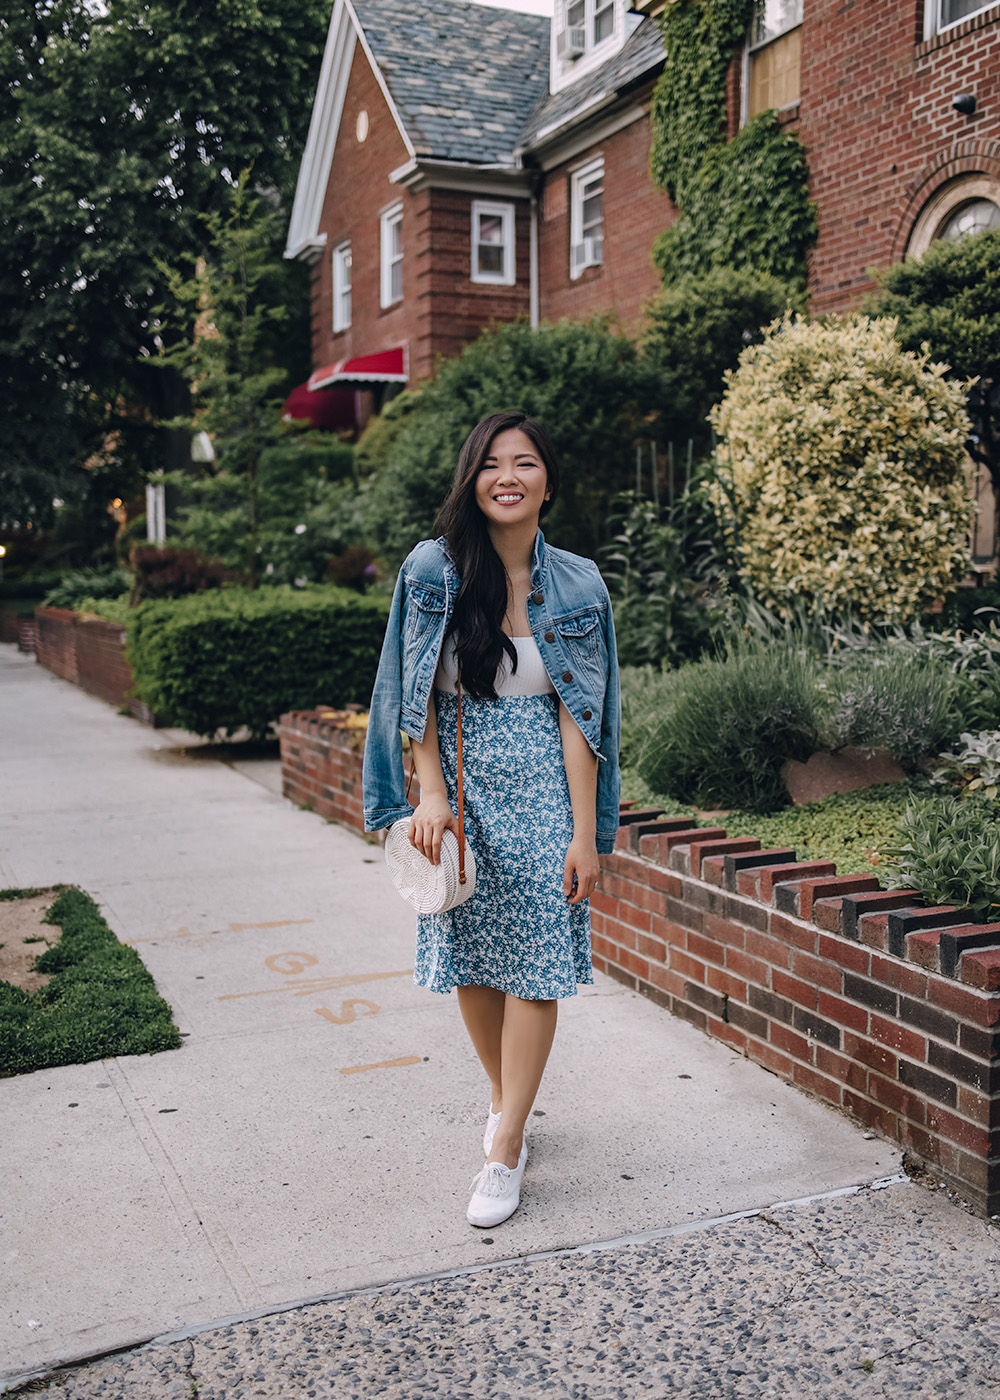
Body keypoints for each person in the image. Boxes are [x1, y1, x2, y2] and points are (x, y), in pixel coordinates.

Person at [362, 410, 621, 1228]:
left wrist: (586, 835)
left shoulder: (579, 583)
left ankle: (505, 1146)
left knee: (539, 961)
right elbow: (412, 692)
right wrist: (426, 791)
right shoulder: (432, 570)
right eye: (492, 465)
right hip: (462, 786)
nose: (508, 477)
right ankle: (509, 1103)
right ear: (472, 479)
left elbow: (587, 721)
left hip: (545, 785)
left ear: (548, 480)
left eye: (526, 463)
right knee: (472, 960)